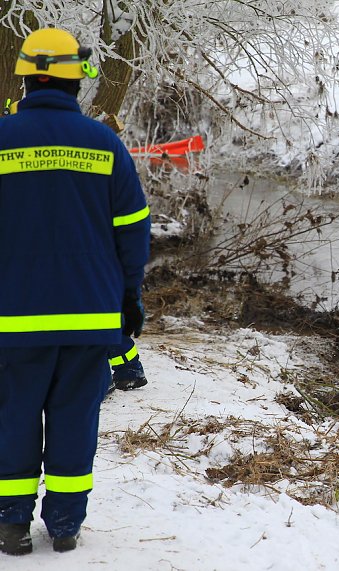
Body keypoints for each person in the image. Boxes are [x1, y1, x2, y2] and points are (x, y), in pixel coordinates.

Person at [0, 28, 150, 555]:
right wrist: (128, 299)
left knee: (11, 417)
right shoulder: (105, 145)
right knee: (74, 421)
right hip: (90, 319)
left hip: (11, 323)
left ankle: (11, 523)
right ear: (76, 82)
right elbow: (133, 230)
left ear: (23, 77)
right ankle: (64, 525)